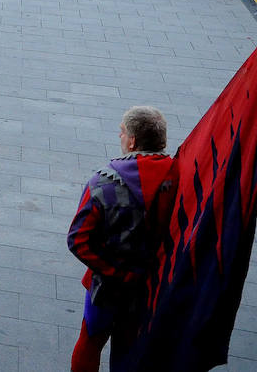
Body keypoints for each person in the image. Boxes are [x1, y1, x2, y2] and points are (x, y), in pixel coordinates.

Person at [67, 106, 176, 372]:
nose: (120, 135)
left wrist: (114, 272)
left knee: (90, 342)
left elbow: (77, 239)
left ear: (132, 141)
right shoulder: (180, 177)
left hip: (107, 287)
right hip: (153, 287)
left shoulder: (103, 181)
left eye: (122, 131)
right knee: (130, 350)